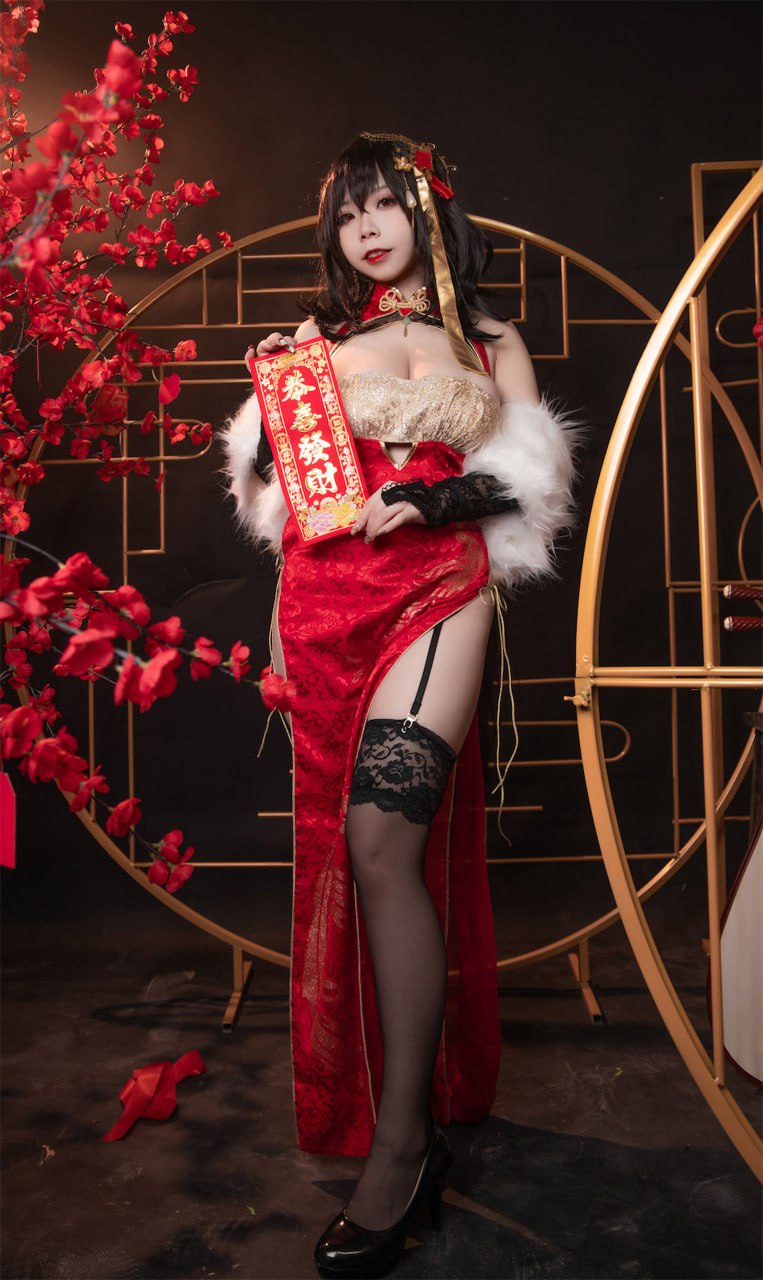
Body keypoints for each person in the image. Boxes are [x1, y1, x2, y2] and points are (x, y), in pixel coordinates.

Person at [222, 132, 576, 1279]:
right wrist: (271, 405)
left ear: (426, 210)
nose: (366, 227)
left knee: (384, 837)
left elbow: (534, 483)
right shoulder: (316, 342)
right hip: (329, 600)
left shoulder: (490, 341)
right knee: (353, 846)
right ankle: (405, 1127)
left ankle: (402, 1143)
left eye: (383, 204)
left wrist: (433, 502)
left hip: (440, 586)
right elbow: (276, 491)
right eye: (346, 213)